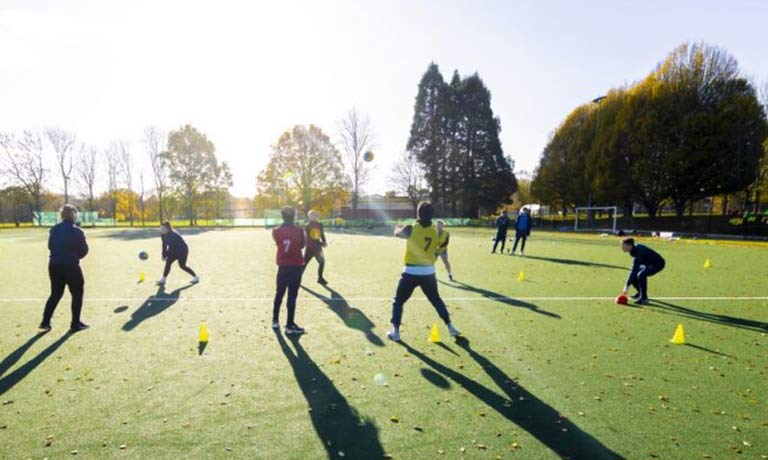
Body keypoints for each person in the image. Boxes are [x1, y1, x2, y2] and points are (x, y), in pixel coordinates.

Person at [387, 202, 460, 342]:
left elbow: (397, 233)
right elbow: (442, 243)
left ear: (418, 213)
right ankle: (450, 326)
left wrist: (397, 227)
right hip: (428, 272)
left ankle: (395, 331)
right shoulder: (434, 231)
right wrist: (436, 255)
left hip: (411, 271)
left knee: (398, 301)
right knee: (436, 300)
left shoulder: (411, 228)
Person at [40, 204, 90, 332]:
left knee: (55, 293)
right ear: (74, 215)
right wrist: (74, 256)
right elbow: (84, 250)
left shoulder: (54, 229)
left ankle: (45, 322)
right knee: (77, 294)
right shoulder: (77, 231)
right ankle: (75, 323)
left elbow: (50, 246)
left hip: (54, 265)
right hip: (71, 266)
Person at [272, 206, 306, 334]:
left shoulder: (276, 231)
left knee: (279, 293)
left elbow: (278, 243)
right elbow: (302, 245)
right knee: (292, 296)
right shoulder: (299, 230)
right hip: (295, 266)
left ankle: (275, 321)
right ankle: (289, 324)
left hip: (282, 266)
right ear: (294, 216)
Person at [620, 237, 665, 305]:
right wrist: (628, 284)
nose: (621, 247)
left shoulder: (639, 251)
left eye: (623, 245)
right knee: (634, 275)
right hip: (648, 264)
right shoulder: (633, 250)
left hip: (658, 264)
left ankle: (644, 299)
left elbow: (634, 269)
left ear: (629, 245)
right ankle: (640, 293)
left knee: (641, 274)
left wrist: (626, 286)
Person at [304, 210, 328, 285]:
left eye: (314, 215)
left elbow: (322, 234)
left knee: (322, 262)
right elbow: (311, 238)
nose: (313, 217)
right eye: (311, 216)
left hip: (318, 249)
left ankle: (320, 278)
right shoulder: (308, 226)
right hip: (310, 248)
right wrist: (321, 244)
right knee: (304, 264)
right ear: (309, 217)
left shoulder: (319, 224)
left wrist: (324, 241)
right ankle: (297, 278)